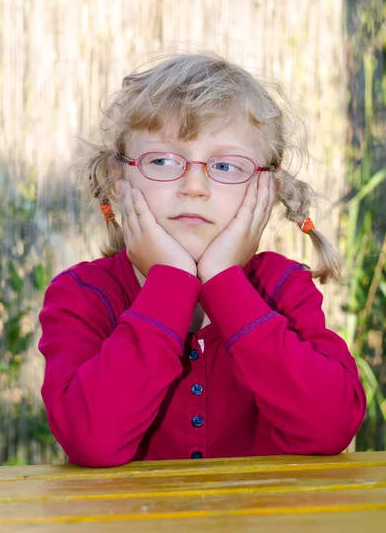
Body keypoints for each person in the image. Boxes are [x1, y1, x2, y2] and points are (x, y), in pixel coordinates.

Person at [38, 53, 366, 467]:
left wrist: (225, 282)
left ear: (267, 188)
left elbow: (331, 426)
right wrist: (172, 281)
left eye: (226, 165)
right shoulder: (82, 295)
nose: (194, 186)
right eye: (162, 161)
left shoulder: (283, 288)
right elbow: (92, 441)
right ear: (118, 179)